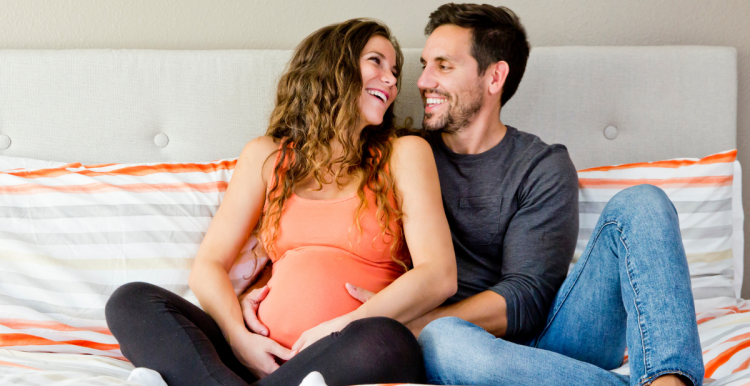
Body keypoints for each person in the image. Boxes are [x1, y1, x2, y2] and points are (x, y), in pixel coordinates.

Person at [342, 4, 704, 386]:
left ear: (495, 77)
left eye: (443, 66)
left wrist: (414, 324)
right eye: (425, 64)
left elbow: (528, 298)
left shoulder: (542, 165)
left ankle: (668, 379)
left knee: (643, 203)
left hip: (556, 337)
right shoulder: (403, 155)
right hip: (461, 348)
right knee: (446, 342)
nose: (422, 81)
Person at [104, 19, 457, 386]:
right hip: (257, 356)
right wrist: (239, 339)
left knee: (386, 340)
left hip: (348, 349)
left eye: (395, 71)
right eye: (376, 62)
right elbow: (208, 265)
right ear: (332, 67)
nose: (391, 80)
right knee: (131, 302)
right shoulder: (267, 156)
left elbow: (439, 275)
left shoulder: (405, 154)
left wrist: (342, 326)